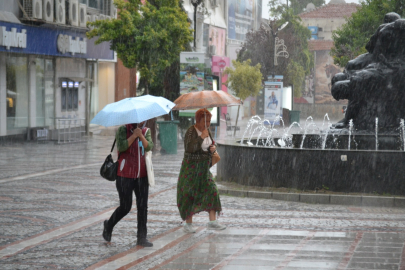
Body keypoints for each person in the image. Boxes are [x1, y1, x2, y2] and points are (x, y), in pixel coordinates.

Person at [102, 121, 154, 247]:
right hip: (124, 175)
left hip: (142, 176)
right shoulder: (122, 130)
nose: (140, 121)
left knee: (143, 207)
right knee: (125, 206)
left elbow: (149, 147)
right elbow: (121, 146)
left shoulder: (146, 131)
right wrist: (133, 136)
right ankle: (109, 225)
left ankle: (141, 237)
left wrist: (140, 135)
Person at [177, 109, 226, 233]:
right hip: (191, 170)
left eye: (209, 121)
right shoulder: (191, 131)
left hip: (204, 170)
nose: (207, 124)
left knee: (212, 191)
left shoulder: (207, 131)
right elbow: (189, 148)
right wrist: (201, 137)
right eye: (205, 121)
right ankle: (188, 224)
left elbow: (208, 145)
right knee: (189, 194)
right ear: (198, 120)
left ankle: (212, 221)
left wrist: (212, 148)